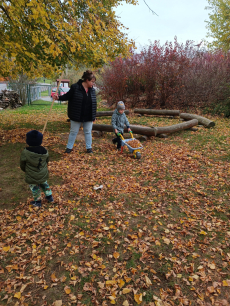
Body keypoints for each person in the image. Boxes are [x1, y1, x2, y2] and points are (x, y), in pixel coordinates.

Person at [54, 70, 97, 153]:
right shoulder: (75, 87)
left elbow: (94, 104)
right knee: (73, 132)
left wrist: (93, 116)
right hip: (76, 114)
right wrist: (58, 97)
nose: (93, 84)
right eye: (92, 82)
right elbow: (67, 96)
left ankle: (89, 148)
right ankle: (69, 148)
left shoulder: (92, 90)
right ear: (87, 80)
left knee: (88, 132)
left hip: (88, 115)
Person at [20, 130, 53, 208]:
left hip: (32, 175)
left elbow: (22, 163)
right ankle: (49, 197)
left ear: (28, 141)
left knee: (35, 188)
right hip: (43, 173)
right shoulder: (45, 151)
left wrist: (25, 170)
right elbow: (47, 161)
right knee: (44, 184)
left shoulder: (25, 152)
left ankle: (38, 202)